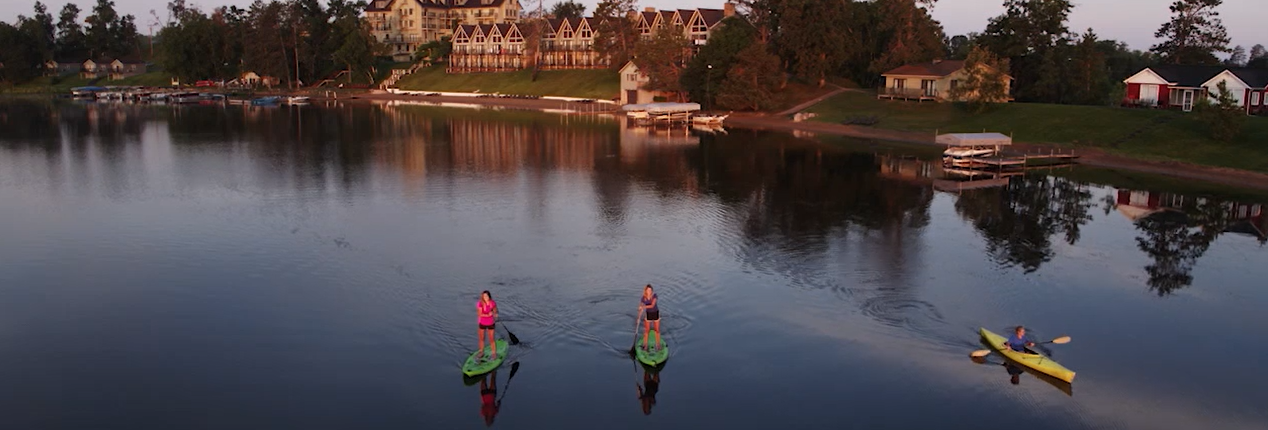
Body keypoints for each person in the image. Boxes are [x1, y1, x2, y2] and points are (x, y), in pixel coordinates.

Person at [477, 291, 498, 361]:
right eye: (484, 296)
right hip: (482, 323)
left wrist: (495, 314)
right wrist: (488, 315)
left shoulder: (492, 303)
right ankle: (481, 352)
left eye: (486, 296)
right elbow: (479, 314)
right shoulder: (480, 304)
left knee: (491, 339)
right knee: (481, 338)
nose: (485, 298)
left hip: (490, 323)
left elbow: (495, 310)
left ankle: (494, 353)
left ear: (489, 296)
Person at [638, 284, 661, 352]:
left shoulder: (654, 296)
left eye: (650, 290)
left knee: (657, 330)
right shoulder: (643, 298)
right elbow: (640, 307)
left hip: (655, 313)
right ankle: (645, 344)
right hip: (648, 314)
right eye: (648, 290)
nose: (649, 291)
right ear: (645, 290)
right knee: (647, 330)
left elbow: (652, 305)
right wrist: (638, 318)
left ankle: (658, 344)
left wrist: (643, 307)